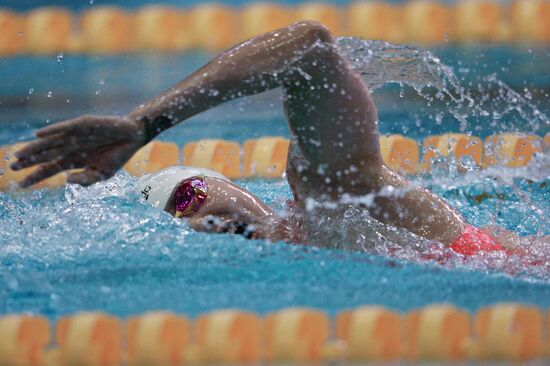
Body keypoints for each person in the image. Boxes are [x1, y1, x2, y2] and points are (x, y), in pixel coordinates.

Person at [10, 21, 545, 255]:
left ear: (232, 187)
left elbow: (310, 48)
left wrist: (144, 125)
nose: (199, 218)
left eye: (190, 196)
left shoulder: (330, 193)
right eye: (181, 218)